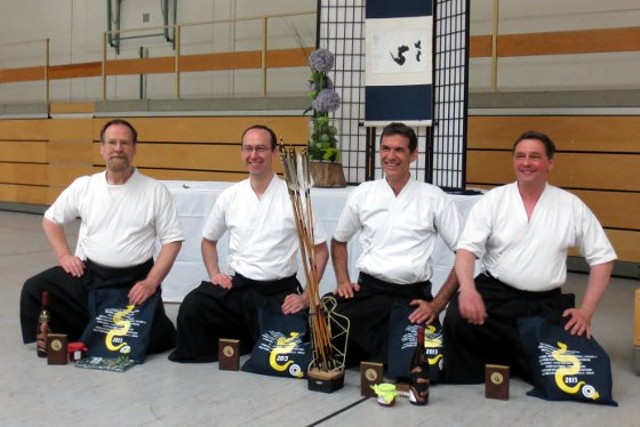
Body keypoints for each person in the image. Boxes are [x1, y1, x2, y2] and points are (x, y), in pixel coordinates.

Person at [443, 130, 617, 384]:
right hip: (496, 297)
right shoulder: (494, 200)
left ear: (550, 163)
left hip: (544, 304)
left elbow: (603, 258)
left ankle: (515, 358)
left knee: (579, 372)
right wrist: (468, 290)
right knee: (458, 319)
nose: (526, 162)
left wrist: (586, 311)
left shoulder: (571, 205)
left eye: (535, 156)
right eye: (520, 156)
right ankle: (505, 360)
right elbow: (466, 251)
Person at [20, 119, 183, 354]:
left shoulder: (154, 190)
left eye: (124, 143)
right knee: (36, 287)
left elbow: (172, 241)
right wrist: (65, 256)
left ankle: (99, 327)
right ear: (102, 148)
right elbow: (51, 220)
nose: (118, 148)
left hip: (134, 282)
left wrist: (151, 282)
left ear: (134, 148)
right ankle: (80, 331)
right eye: (112, 142)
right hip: (91, 276)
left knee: (154, 339)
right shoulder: (85, 186)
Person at [168, 124, 329, 362]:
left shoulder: (294, 196)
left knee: (295, 342)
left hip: (279, 293)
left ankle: (255, 338)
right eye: (248, 149)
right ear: (242, 153)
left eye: (261, 149)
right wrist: (215, 273)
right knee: (192, 307)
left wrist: (305, 297)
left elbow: (320, 251)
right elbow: (208, 241)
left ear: (274, 153)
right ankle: (250, 339)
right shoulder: (231, 196)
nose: (254, 155)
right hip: (239, 290)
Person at [330, 122, 461, 366]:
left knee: (417, 367)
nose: (391, 156)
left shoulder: (434, 198)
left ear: (413, 155)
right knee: (321, 325)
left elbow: (464, 255)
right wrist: (342, 280)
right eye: (385, 149)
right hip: (369, 292)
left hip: (411, 299)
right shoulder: (363, 193)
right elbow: (338, 241)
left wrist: (437, 304)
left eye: (399, 150)